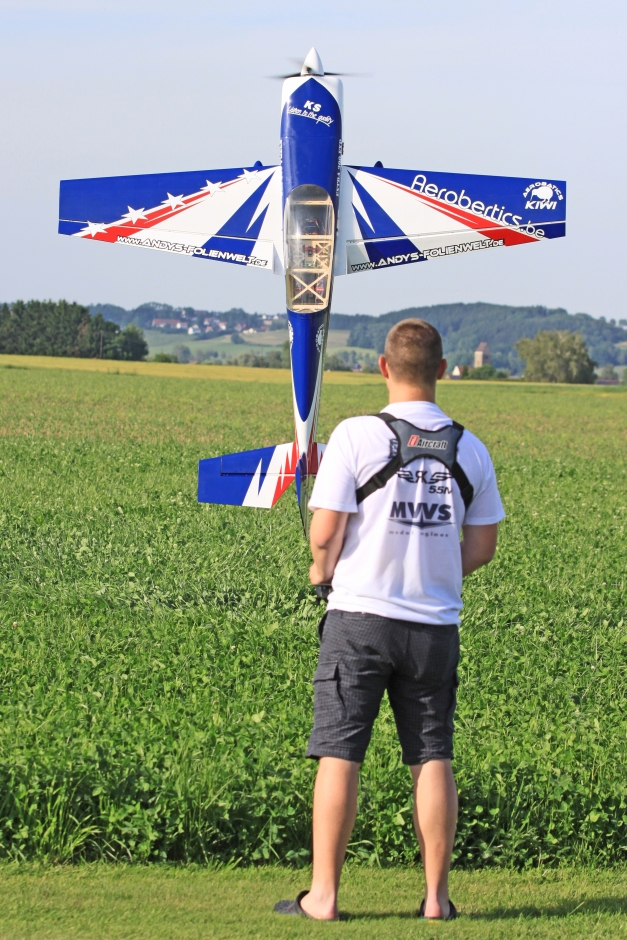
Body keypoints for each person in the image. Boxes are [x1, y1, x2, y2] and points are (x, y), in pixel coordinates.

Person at [274, 319, 505, 921]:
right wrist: (434, 567)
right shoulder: (472, 449)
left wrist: (320, 570)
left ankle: (323, 897)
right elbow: (482, 547)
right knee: (432, 753)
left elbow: (324, 531)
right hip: (434, 627)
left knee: (340, 750)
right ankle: (436, 900)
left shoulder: (355, 435)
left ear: (383, 367)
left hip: (359, 619)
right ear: (443, 370)